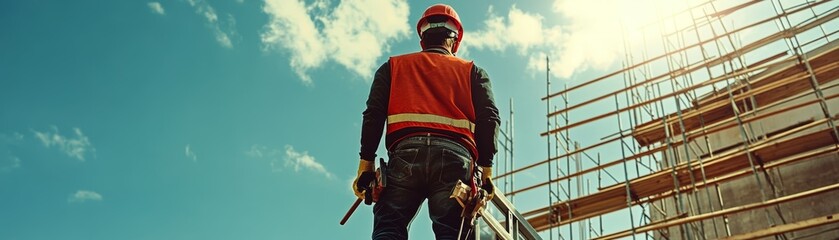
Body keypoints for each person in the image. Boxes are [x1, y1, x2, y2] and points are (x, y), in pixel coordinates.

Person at [352, 3, 501, 240]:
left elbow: (373, 114)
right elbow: (489, 118)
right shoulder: (473, 72)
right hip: (455, 161)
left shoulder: (393, 67)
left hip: (404, 156)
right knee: (454, 233)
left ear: (423, 38)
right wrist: (486, 169)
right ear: (455, 39)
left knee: (389, 227)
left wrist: (366, 164)